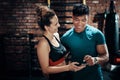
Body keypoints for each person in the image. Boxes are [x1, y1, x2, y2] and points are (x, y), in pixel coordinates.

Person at [36, 5, 86, 80]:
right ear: (47, 27)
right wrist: (68, 67)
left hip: (67, 76)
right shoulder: (43, 44)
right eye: (56, 24)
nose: (59, 25)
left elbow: (59, 58)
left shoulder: (56, 35)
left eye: (58, 22)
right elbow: (45, 70)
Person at [61, 3, 109, 80]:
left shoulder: (97, 34)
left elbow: (106, 56)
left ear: (88, 18)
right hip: (75, 77)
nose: (80, 24)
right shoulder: (65, 37)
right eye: (77, 20)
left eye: (84, 20)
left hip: (95, 77)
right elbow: (62, 59)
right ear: (72, 18)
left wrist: (95, 60)